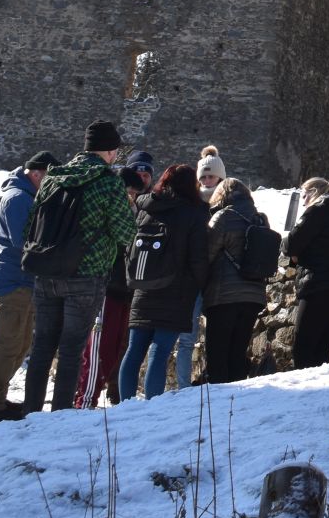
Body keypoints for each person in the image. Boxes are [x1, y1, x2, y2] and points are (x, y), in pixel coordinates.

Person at [21, 121, 136, 415]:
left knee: (43, 345)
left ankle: (30, 412)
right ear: (110, 151)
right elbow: (126, 233)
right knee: (72, 349)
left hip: (46, 270)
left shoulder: (53, 178)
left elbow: (32, 223)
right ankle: (60, 415)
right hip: (87, 275)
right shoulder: (108, 182)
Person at [0, 151, 56, 423]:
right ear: (37, 173)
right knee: (6, 343)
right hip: (14, 279)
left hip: (22, 280)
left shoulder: (23, 196)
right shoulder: (19, 199)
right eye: (49, 176)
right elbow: (25, 241)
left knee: (18, 344)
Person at [119, 164, 211, 399]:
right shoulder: (194, 213)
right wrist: (200, 285)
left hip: (143, 286)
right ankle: (151, 406)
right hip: (176, 291)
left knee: (134, 350)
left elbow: (129, 247)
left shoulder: (146, 207)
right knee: (159, 354)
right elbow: (198, 258)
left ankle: (125, 405)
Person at [75, 151, 153, 407]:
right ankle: (85, 400)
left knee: (114, 348)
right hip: (107, 286)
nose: (131, 198)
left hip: (124, 288)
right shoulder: (111, 209)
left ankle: (99, 394)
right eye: (129, 192)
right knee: (99, 348)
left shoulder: (136, 209)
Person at [203, 178, 270, 383]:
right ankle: (238, 396)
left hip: (223, 295)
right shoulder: (260, 218)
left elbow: (207, 254)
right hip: (253, 296)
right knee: (238, 350)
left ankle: (217, 401)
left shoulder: (223, 216)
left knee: (218, 352)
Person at [286, 177, 329, 368]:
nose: (303, 201)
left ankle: (305, 396)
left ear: (313, 193)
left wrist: (296, 254)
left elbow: (291, 244)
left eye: (304, 195)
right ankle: (323, 395)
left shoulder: (316, 211)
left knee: (303, 349)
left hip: (317, 285)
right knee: (322, 349)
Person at [172, 144, 226, 387]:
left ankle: (213, 380)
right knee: (186, 338)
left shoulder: (227, 203)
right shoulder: (190, 204)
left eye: (211, 176)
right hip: (192, 278)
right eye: (203, 176)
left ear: (221, 177)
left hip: (217, 278)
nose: (206, 180)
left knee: (215, 336)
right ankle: (183, 386)